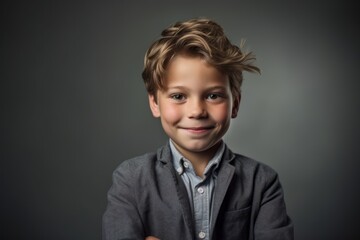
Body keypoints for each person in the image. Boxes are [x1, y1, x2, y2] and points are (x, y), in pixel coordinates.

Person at [102, 18, 294, 240]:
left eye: (213, 95)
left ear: (236, 104)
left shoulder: (262, 182)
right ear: (155, 103)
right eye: (178, 96)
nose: (197, 111)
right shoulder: (130, 180)